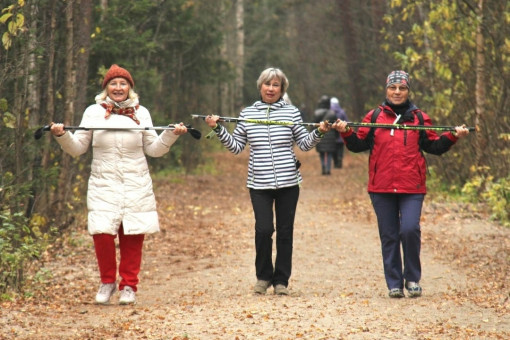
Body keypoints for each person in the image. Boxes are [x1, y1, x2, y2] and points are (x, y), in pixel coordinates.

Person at [50, 64, 188, 305]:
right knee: (102, 233)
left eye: (123, 83)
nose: (118, 87)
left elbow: (154, 150)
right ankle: (107, 282)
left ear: (130, 88)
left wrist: (170, 134)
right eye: (113, 83)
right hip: (103, 182)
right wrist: (62, 135)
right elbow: (78, 148)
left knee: (133, 234)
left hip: (136, 182)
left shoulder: (141, 113)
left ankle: (129, 286)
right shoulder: (93, 112)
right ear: (106, 88)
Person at [333, 70, 470, 298]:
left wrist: (453, 136)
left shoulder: (418, 118)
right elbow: (357, 144)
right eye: (393, 88)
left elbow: (434, 146)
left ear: (408, 91)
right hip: (381, 186)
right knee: (389, 235)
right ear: (386, 89)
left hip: (412, 187)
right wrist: (346, 132)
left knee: (409, 230)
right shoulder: (374, 116)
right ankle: (394, 283)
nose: (397, 92)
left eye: (402, 88)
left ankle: (413, 278)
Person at [205, 67, 331, 295]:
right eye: (267, 84)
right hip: (258, 183)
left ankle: (281, 281)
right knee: (263, 230)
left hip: (288, 182)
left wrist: (320, 132)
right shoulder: (247, 113)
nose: (271, 89)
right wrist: (218, 129)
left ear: (282, 89)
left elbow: (303, 144)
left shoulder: (292, 113)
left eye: (276, 85)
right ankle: (263, 277)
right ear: (260, 86)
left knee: (285, 231)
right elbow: (235, 147)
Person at [314, 95, 338, 175]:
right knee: (329, 153)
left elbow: (314, 125)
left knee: (321, 153)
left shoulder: (317, 113)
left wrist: (313, 136)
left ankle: (323, 166)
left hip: (320, 134)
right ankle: (328, 169)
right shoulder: (332, 113)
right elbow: (336, 126)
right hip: (330, 135)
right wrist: (337, 136)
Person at [330, 97, 348, 168]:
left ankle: (335, 163)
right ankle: (340, 160)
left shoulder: (330, 112)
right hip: (341, 135)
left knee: (334, 150)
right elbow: (347, 121)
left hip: (333, 136)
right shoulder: (342, 112)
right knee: (340, 149)